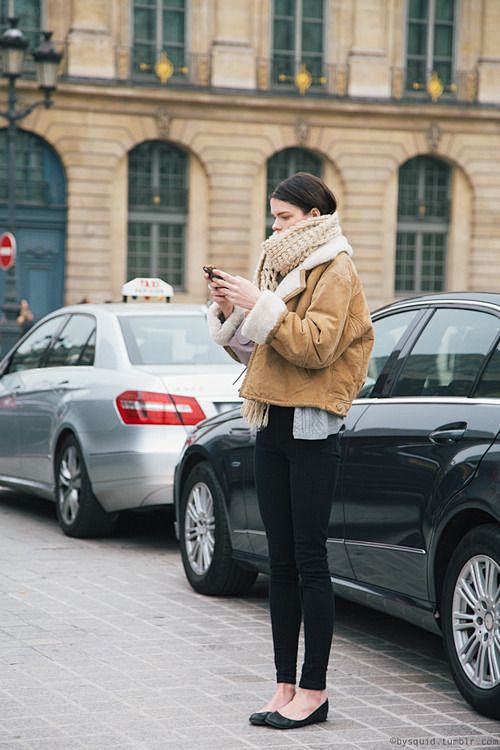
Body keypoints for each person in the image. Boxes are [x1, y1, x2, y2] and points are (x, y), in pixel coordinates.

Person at [206, 172, 374, 730]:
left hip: (312, 426)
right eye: (272, 216)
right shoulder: (279, 267)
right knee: (279, 564)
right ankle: (284, 686)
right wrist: (235, 311)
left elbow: (318, 347)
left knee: (308, 560)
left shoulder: (335, 267)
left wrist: (263, 304)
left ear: (314, 214)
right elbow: (260, 354)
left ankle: (315, 691)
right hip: (270, 417)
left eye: (283, 217)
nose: (273, 225)